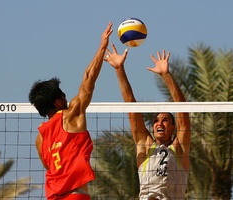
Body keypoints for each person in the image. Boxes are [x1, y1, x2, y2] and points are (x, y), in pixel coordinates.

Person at [28, 22, 113, 200]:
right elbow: (88, 79)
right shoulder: (71, 115)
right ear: (58, 102)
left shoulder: (40, 138)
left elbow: (49, 165)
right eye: (64, 96)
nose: (68, 99)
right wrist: (102, 46)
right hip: (75, 196)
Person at [104, 44, 191, 200]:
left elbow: (183, 112)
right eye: (156, 120)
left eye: (165, 121)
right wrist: (119, 69)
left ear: (173, 128)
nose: (159, 123)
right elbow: (131, 106)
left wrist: (166, 75)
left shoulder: (179, 149)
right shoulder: (144, 144)